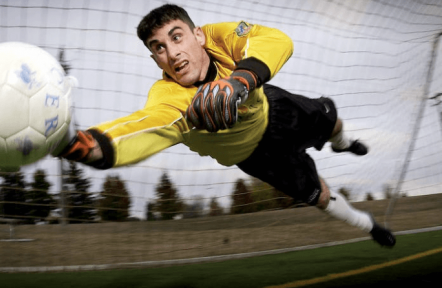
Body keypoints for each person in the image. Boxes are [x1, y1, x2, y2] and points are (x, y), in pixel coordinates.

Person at [53, 4, 395, 247]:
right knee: (318, 196)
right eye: (158, 48)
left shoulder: (222, 36)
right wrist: (85, 145)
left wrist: (239, 81)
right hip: (257, 156)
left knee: (331, 120)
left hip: (273, 108)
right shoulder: (168, 96)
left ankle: (342, 143)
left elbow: (275, 40)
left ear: (198, 36)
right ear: (154, 58)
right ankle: (369, 225)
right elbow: (142, 127)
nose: (171, 53)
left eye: (176, 37)